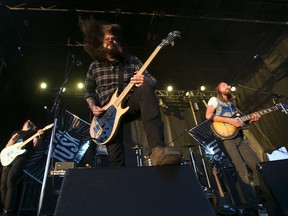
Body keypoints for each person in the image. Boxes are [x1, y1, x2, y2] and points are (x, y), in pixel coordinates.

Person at [79, 18, 181, 167]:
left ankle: (158, 149)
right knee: (116, 160)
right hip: (106, 115)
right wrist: (93, 106)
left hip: (129, 103)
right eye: (107, 39)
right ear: (100, 43)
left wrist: (144, 80)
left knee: (145, 88)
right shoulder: (94, 66)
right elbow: (88, 91)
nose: (111, 41)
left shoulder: (131, 60)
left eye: (114, 39)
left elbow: (152, 81)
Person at [205, 82, 263, 212]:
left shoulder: (232, 105)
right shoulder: (214, 100)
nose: (227, 86)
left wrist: (252, 119)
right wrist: (230, 121)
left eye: (227, 85)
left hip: (238, 138)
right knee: (241, 169)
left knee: (257, 165)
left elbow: (242, 121)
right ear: (218, 89)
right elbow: (208, 116)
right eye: (223, 85)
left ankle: (260, 197)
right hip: (226, 139)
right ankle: (251, 204)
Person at [0, 120, 44, 216]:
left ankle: (8, 211)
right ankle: (4, 208)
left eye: (30, 121)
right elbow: (7, 146)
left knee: (11, 180)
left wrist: (39, 137)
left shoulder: (34, 132)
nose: (27, 120)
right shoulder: (17, 132)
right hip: (9, 157)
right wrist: (13, 139)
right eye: (25, 121)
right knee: (3, 183)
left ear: (32, 125)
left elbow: (36, 146)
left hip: (22, 156)